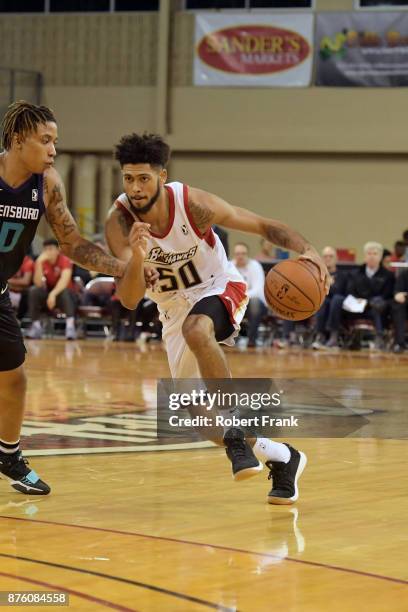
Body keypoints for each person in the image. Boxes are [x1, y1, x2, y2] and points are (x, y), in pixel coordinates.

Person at [105, 133, 330, 505]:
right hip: (172, 309)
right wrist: (136, 257)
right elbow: (129, 300)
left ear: (162, 175)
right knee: (198, 414)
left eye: (143, 178)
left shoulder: (193, 204)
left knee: (199, 329)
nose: (135, 187)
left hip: (218, 286)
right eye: (128, 179)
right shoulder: (120, 224)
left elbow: (260, 225)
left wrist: (307, 250)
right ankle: (283, 457)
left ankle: (235, 422)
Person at [0, 101, 155, 495]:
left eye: (55, 141)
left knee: (14, 379)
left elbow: (71, 242)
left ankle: (8, 455)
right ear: (19, 141)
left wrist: (122, 268)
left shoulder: (48, 184)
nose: (53, 150)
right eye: (45, 140)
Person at [26, 238, 77, 340]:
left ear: (58, 250)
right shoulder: (41, 262)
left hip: (66, 295)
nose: (47, 252)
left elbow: (64, 281)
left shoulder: (65, 260)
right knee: (33, 291)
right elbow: (38, 283)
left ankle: (70, 326)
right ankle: (36, 326)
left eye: (50, 249)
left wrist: (52, 294)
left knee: (64, 292)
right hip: (49, 295)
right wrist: (39, 263)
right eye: (45, 249)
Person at [311, 246, 349, 350]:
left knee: (336, 299)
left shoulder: (342, 275)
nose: (328, 258)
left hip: (339, 306)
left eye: (331, 256)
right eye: (325, 256)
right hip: (322, 303)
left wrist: (328, 286)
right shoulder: (316, 275)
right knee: (323, 300)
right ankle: (320, 336)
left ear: (336, 259)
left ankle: (334, 336)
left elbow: (340, 292)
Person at [232, 242, 267, 347]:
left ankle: (252, 340)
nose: (240, 256)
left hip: (252, 305)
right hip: (234, 303)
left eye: (243, 253)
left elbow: (258, 291)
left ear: (247, 254)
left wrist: (239, 297)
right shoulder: (229, 266)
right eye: (237, 254)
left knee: (254, 303)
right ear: (234, 255)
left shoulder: (255, 266)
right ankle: (228, 338)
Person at [391, 269, 408, 353]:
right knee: (398, 306)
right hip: (406, 305)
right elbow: (398, 293)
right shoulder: (404, 274)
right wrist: (399, 295)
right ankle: (400, 343)